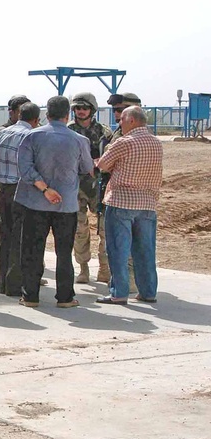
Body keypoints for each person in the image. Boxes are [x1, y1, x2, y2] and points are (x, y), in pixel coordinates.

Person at [15, 96, 93, 308]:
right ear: (68, 115)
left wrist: (45, 188)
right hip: (66, 204)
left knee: (32, 250)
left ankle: (30, 296)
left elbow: (24, 168)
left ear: (46, 115)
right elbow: (87, 168)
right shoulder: (79, 140)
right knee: (64, 252)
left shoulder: (32, 136)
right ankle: (65, 297)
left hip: (35, 203)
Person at [96, 106, 162, 305]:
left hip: (121, 201)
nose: (119, 124)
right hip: (148, 203)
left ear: (132, 120)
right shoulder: (156, 143)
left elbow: (103, 165)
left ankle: (119, 292)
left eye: (122, 120)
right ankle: (148, 291)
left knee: (118, 249)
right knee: (146, 250)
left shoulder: (124, 142)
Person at [0, 102, 40, 296]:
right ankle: (15, 285)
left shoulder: (3, 133)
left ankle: (4, 281)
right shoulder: (29, 135)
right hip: (21, 191)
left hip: (3, 190)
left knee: (6, 236)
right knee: (21, 238)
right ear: (36, 120)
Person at [0, 94, 30, 287]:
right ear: (11, 112)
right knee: (1, 232)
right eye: (18, 111)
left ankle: (23, 271)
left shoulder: (33, 130)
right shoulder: (1, 132)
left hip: (26, 189)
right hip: (3, 189)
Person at [99, 92, 142, 290]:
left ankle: (128, 281)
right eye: (114, 110)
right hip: (112, 192)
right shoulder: (117, 132)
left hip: (127, 196)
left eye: (119, 110)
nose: (116, 114)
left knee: (126, 241)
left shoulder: (132, 135)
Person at [68, 92, 113, 284]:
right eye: (77, 108)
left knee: (105, 230)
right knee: (79, 229)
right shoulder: (68, 130)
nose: (80, 111)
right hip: (75, 187)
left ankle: (104, 268)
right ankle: (83, 268)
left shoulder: (104, 132)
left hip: (99, 188)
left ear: (92, 110)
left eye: (84, 108)